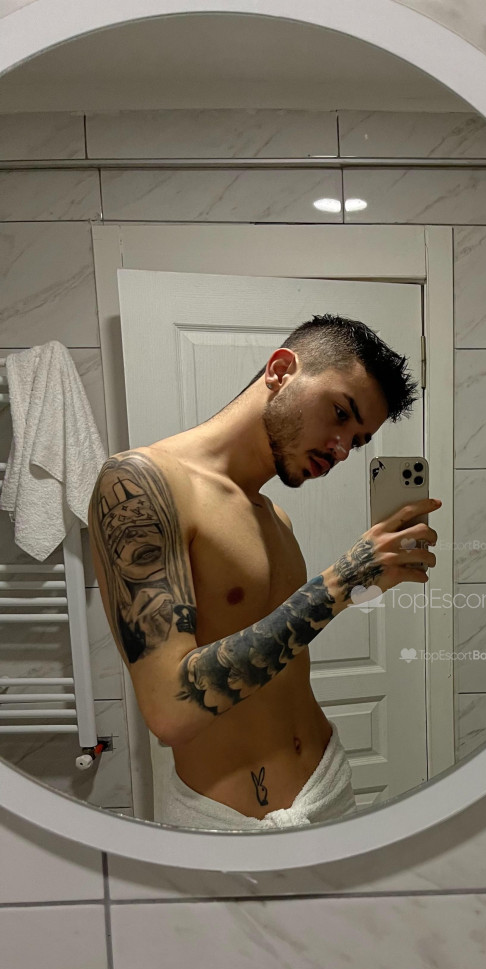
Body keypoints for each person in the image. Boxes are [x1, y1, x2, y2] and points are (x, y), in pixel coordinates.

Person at [88, 314, 441, 831]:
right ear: (280, 370)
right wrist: (339, 584)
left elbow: (280, 648)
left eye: (358, 440)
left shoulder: (275, 518)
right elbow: (169, 710)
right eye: (340, 413)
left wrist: (362, 584)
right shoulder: (143, 485)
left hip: (328, 788)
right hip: (226, 822)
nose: (342, 449)